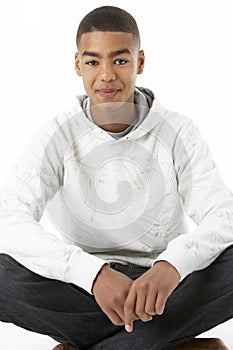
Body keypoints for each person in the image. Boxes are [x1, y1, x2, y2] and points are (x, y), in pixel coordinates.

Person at [0, 5, 232, 350]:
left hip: (164, 286)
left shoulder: (178, 129)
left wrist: (173, 264)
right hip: (87, 291)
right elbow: (9, 219)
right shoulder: (57, 134)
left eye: (119, 61)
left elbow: (222, 216)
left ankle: (91, 344)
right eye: (93, 62)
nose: (106, 74)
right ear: (78, 64)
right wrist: (90, 274)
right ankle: (170, 343)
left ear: (140, 62)